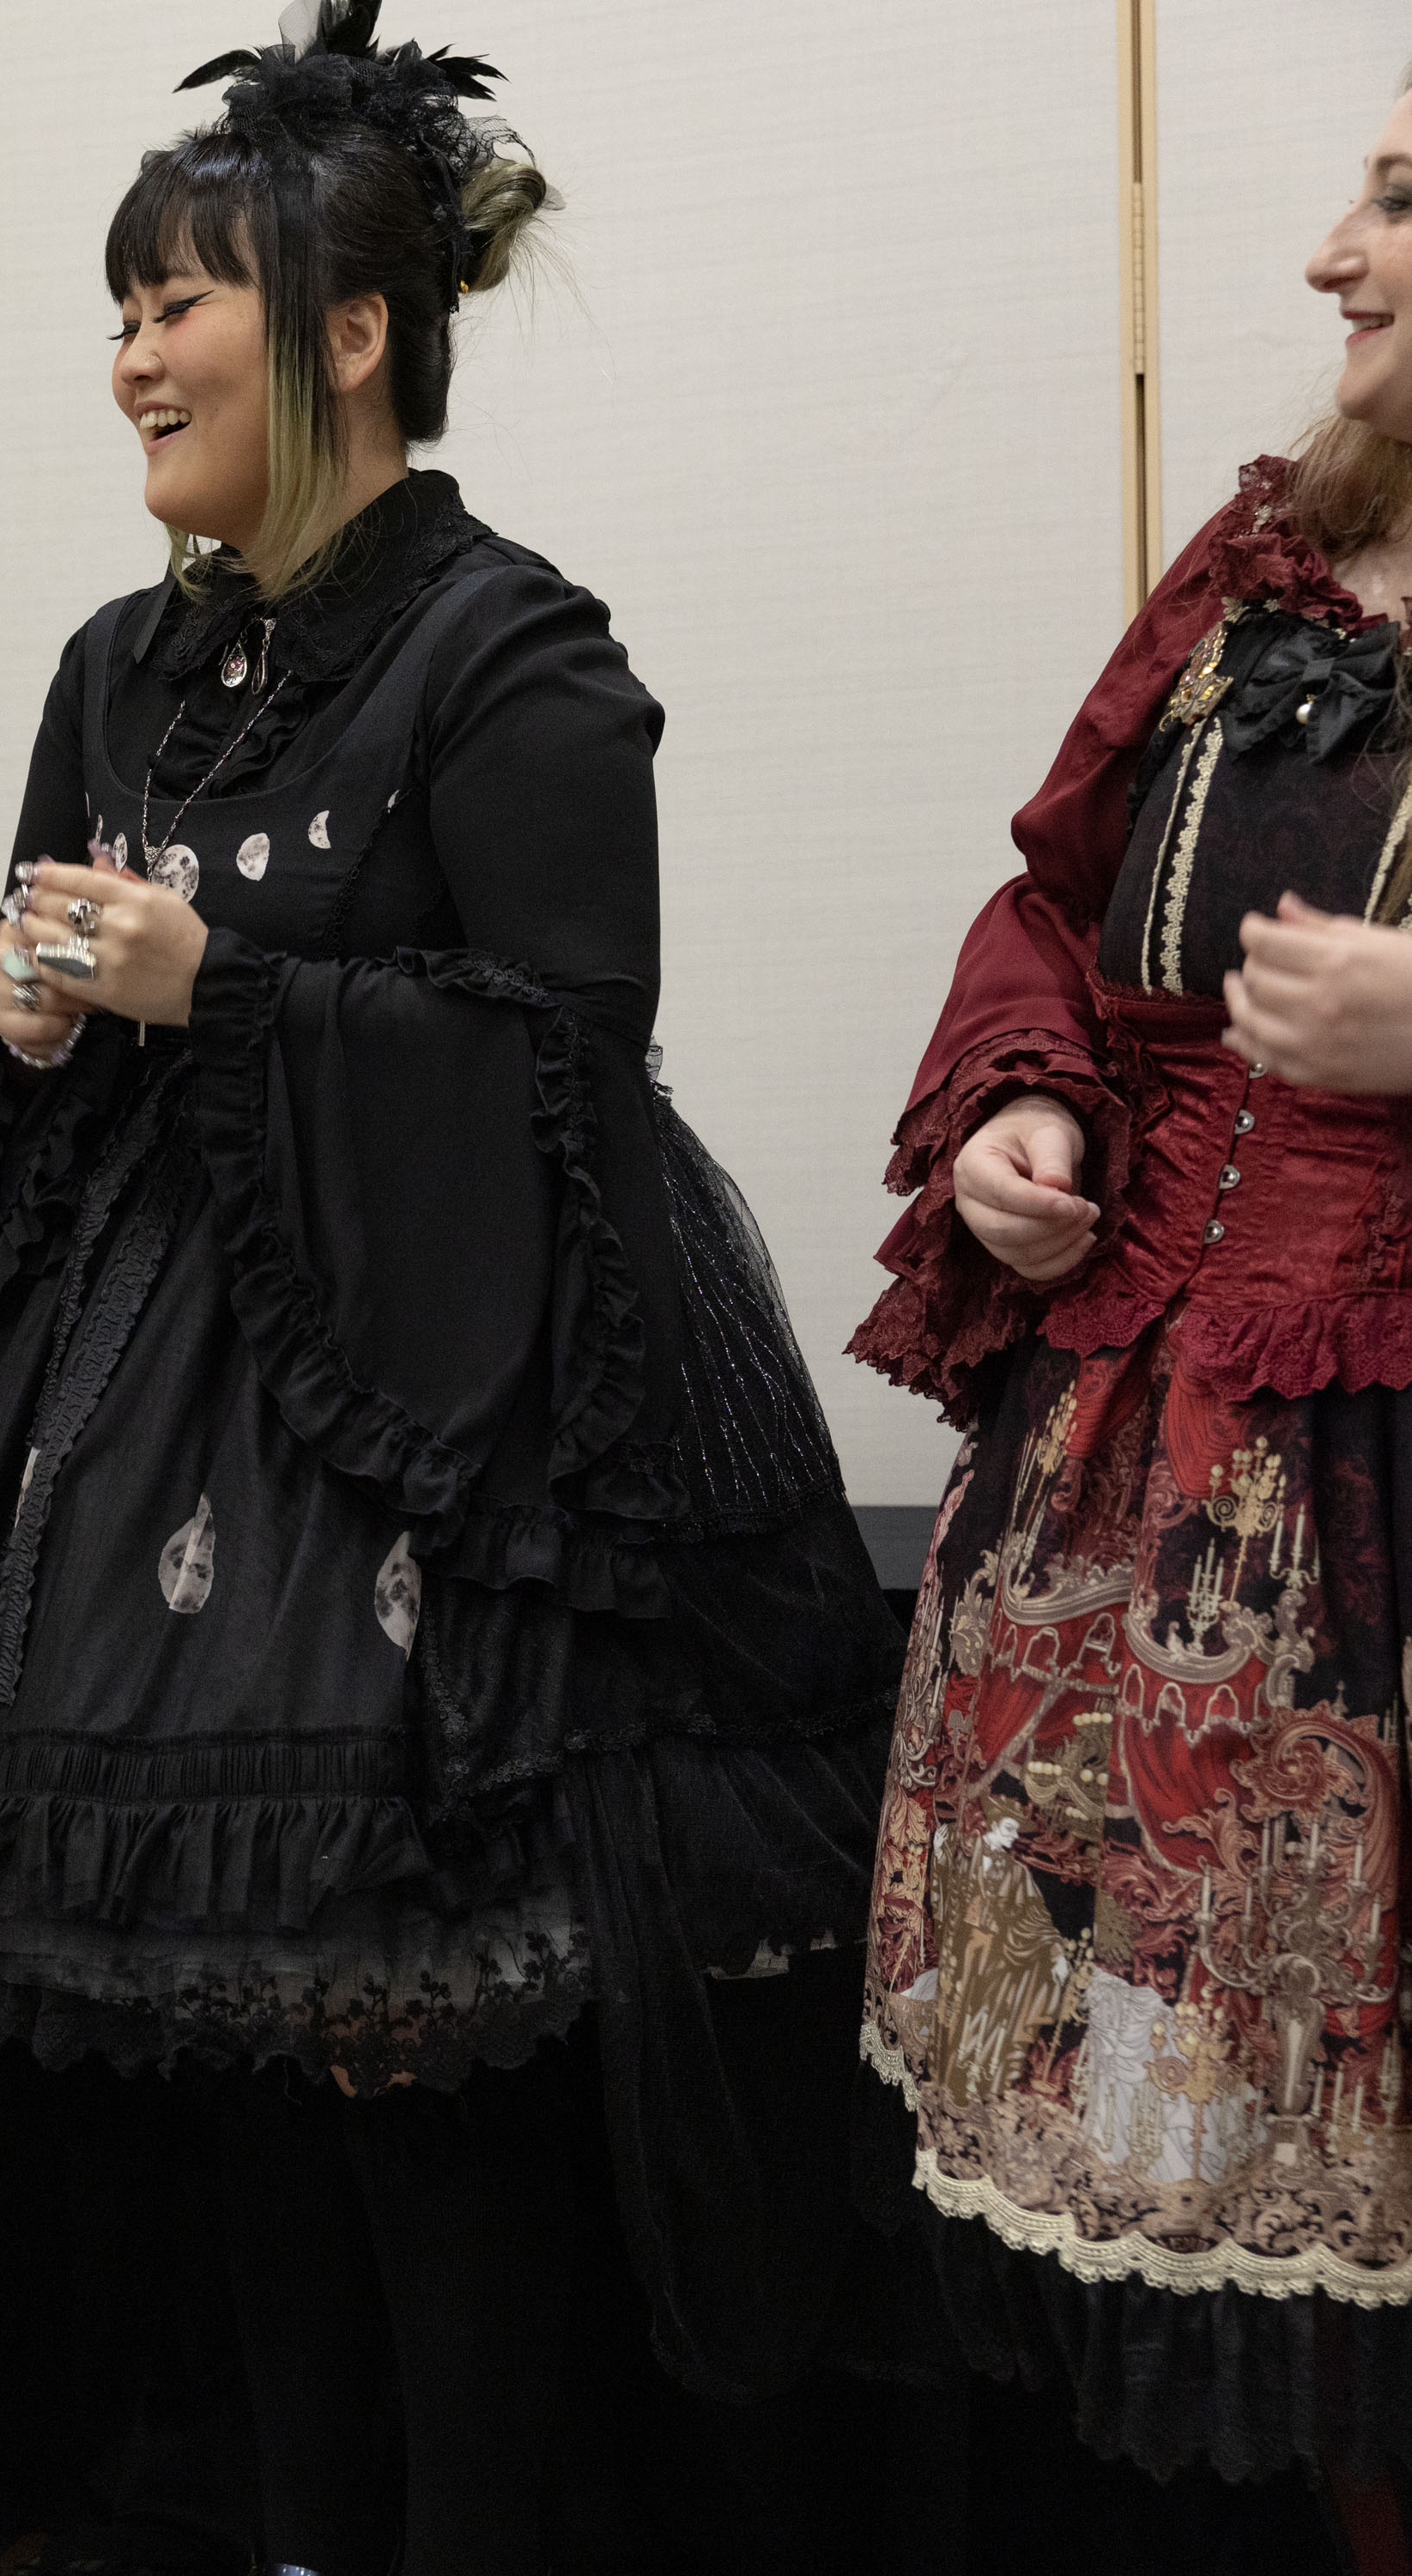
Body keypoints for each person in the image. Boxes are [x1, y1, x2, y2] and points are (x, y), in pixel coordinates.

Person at [0, 11, 905, 2572]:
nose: (130, 356)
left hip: (445, 1452)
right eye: (116, 310)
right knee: (231, 2071)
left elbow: (570, 1060)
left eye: (176, 302)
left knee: (420, 2068)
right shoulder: (121, 660)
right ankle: (298, 2527)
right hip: (142, 1456)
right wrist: (24, 1016)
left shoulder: (510, 651)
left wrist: (226, 988)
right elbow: (42, 1012)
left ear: (351, 333)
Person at [851, 71, 1412, 2489]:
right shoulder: (1267, 559)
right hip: (1113, 1470)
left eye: (1398, 201)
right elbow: (1057, 902)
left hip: (1369, 1484)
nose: (1328, 257)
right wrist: (1029, 1105)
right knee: (1143, 2167)